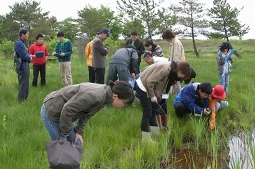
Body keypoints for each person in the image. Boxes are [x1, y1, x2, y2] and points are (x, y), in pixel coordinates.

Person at [40, 81, 135, 168]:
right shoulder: (96, 96)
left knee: (75, 144)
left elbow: (88, 113)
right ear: (115, 96)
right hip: (53, 112)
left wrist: (78, 131)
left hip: (65, 115)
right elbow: (68, 109)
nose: (123, 106)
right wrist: (64, 134)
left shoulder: (106, 96)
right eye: (124, 103)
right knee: (65, 154)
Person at [135, 61, 194, 142]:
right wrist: (152, 96)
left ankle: (155, 132)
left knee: (153, 110)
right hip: (143, 86)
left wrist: (157, 96)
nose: (182, 78)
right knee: (147, 112)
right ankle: (146, 139)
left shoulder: (172, 71)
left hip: (149, 87)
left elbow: (162, 85)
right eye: (184, 75)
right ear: (180, 71)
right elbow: (150, 81)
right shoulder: (165, 69)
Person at [162, 29, 185, 95]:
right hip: (174, 65)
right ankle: (175, 94)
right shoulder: (173, 43)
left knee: (176, 81)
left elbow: (176, 57)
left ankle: (178, 95)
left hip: (177, 65)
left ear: (169, 36)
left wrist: (173, 66)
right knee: (173, 81)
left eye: (166, 38)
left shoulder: (176, 43)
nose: (166, 40)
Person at [14, 28, 33, 102]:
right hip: (22, 66)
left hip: (25, 64)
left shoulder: (22, 42)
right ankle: (22, 100)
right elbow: (23, 55)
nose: (28, 36)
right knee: (23, 82)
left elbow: (25, 54)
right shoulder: (19, 43)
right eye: (27, 34)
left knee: (26, 82)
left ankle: (25, 98)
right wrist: (29, 57)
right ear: (22, 34)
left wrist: (29, 56)